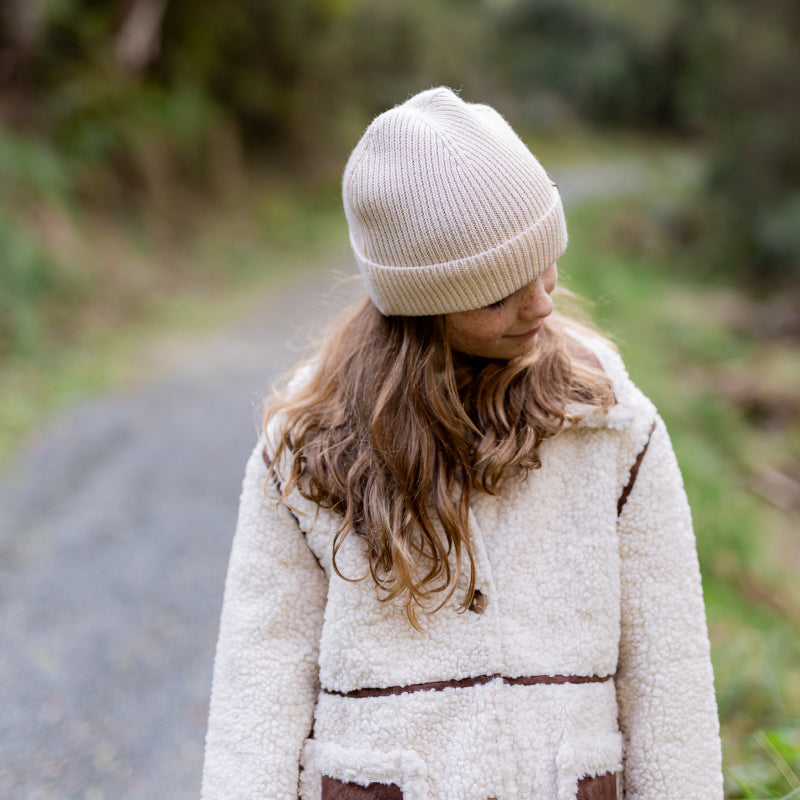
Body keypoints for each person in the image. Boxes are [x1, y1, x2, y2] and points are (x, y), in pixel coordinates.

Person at [201, 87, 723, 800]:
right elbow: (257, 683)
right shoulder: (307, 448)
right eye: (497, 294)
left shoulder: (612, 427)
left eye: (546, 265)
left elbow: (671, 676)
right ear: (422, 305)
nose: (540, 302)